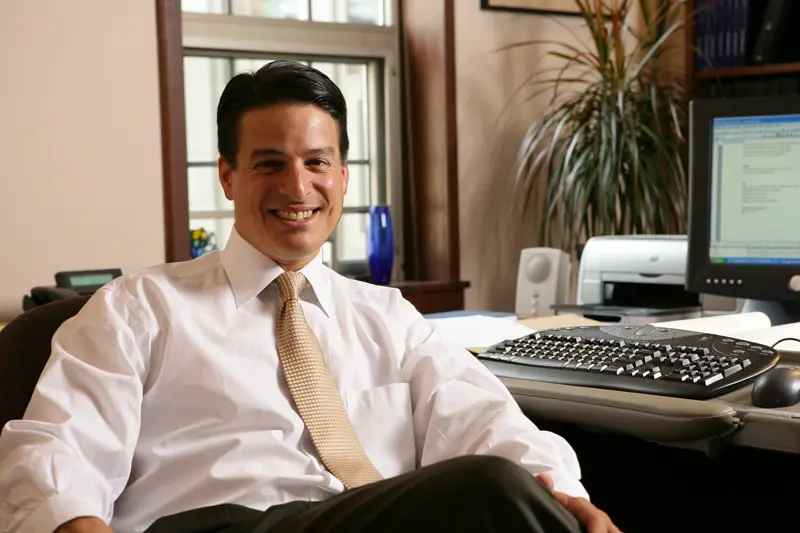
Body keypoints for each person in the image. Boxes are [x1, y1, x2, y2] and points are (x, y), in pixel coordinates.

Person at [0, 61, 620, 533]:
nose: (297, 187)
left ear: (343, 176)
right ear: (228, 175)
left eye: (316, 162)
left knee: (522, 485)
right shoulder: (140, 307)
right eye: (269, 163)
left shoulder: (387, 317)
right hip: (216, 525)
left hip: (366, 517)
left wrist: (567, 500)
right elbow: (57, 452)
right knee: (489, 489)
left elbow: (487, 421)